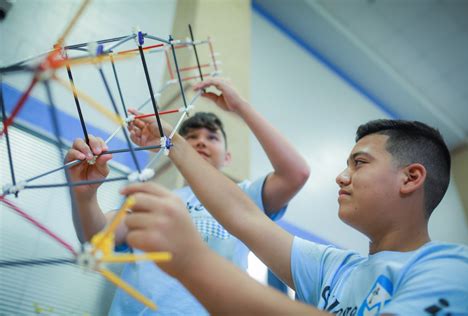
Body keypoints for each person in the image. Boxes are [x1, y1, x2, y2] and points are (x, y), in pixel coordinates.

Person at [124, 118, 468, 314]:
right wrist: (170, 142)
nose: (341, 176)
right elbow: (243, 216)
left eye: (360, 163)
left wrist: (192, 261)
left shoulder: (455, 269)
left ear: (411, 178)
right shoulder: (333, 268)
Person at [65, 78, 310, 315]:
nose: (201, 142)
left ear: (227, 157)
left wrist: (241, 107)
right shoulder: (160, 199)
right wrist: (85, 197)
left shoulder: (244, 198)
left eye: (212, 137)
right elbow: (97, 237)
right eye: (191, 137)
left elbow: (295, 174)